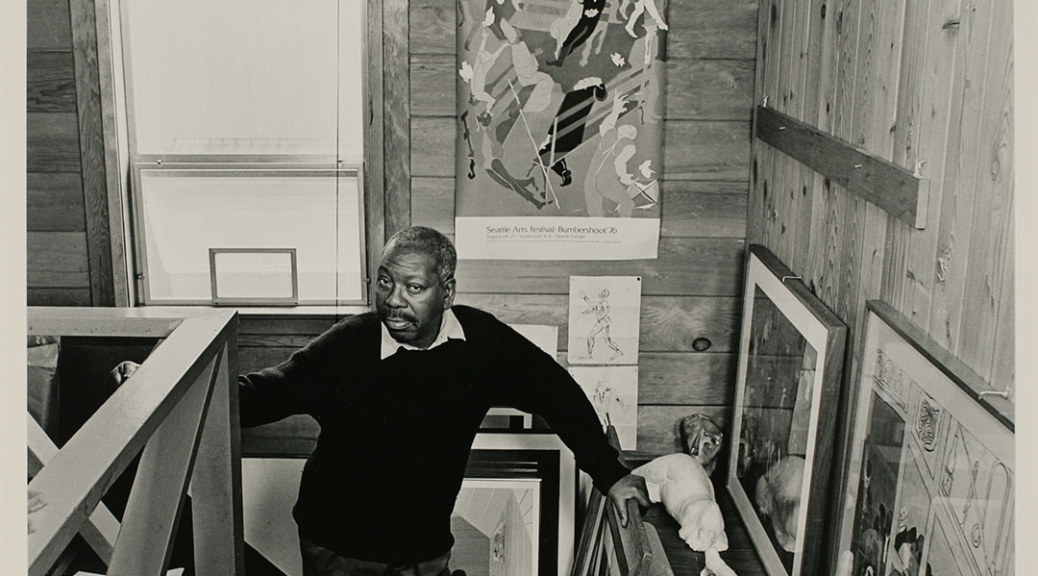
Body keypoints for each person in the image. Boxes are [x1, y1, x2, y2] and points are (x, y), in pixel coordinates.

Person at [111, 225, 650, 576]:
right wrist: (163, 383)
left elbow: (557, 392)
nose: (394, 300)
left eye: (413, 288)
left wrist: (610, 472)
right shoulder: (350, 345)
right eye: (385, 282)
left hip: (422, 549)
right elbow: (261, 396)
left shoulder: (482, 346)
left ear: (447, 291)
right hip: (337, 548)